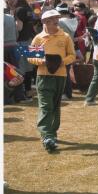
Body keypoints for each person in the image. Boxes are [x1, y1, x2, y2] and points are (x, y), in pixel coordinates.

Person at [27, 9, 76, 152]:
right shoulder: (38, 38)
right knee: (45, 106)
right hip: (43, 77)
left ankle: (52, 134)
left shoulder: (65, 36)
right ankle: (47, 136)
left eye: (57, 18)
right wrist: (42, 61)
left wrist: (61, 62)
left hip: (60, 76)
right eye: (53, 18)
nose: (56, 20)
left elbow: (72, 56)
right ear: (45, 22)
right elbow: (31, 58)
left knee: (55, 106)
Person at [8, 0, 36, 99]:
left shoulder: (19, 10)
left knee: (21, 68)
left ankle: (21, 94)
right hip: (31, 40)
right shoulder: (29, 9)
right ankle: (29, 91)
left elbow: (18, 28)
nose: (10, 1)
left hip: (21, 41)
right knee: (30, 67)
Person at [56, 3, 78, 100]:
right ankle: (67, 93)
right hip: (71, 46)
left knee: (63, 71)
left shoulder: (60, 22)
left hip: (62, 48)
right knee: (67, 70)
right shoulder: (73, 20)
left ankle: (66, 93)